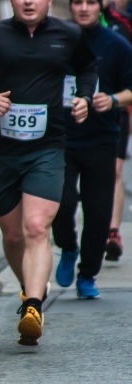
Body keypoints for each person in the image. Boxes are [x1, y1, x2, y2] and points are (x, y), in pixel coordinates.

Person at [0, 0, 98, 346]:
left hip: (47, 147)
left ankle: (33, 305)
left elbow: (88, 68)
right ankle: (30, 286)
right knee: (14, 235)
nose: (29, 1)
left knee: (36, 226)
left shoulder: (68, 34)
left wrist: (85, 98)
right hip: (0, 150)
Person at [53, 0, 132, 298]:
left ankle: (87, 275)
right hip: (61, 137)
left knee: (98, 214)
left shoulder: (116, 44)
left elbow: (130, 88)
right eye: (78, 2)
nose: (84, 8)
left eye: (90, 2)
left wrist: (112, 100)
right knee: (61, 202)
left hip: (101, 138)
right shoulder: (58, 40)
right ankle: (68, 247)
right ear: (70, 7)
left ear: (101, 7)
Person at [103, 0, 132, 261]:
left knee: (115, 169)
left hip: (117, 110)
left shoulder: (122, 25)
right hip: (80, 113)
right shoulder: (69, 31)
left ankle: (112, 232)